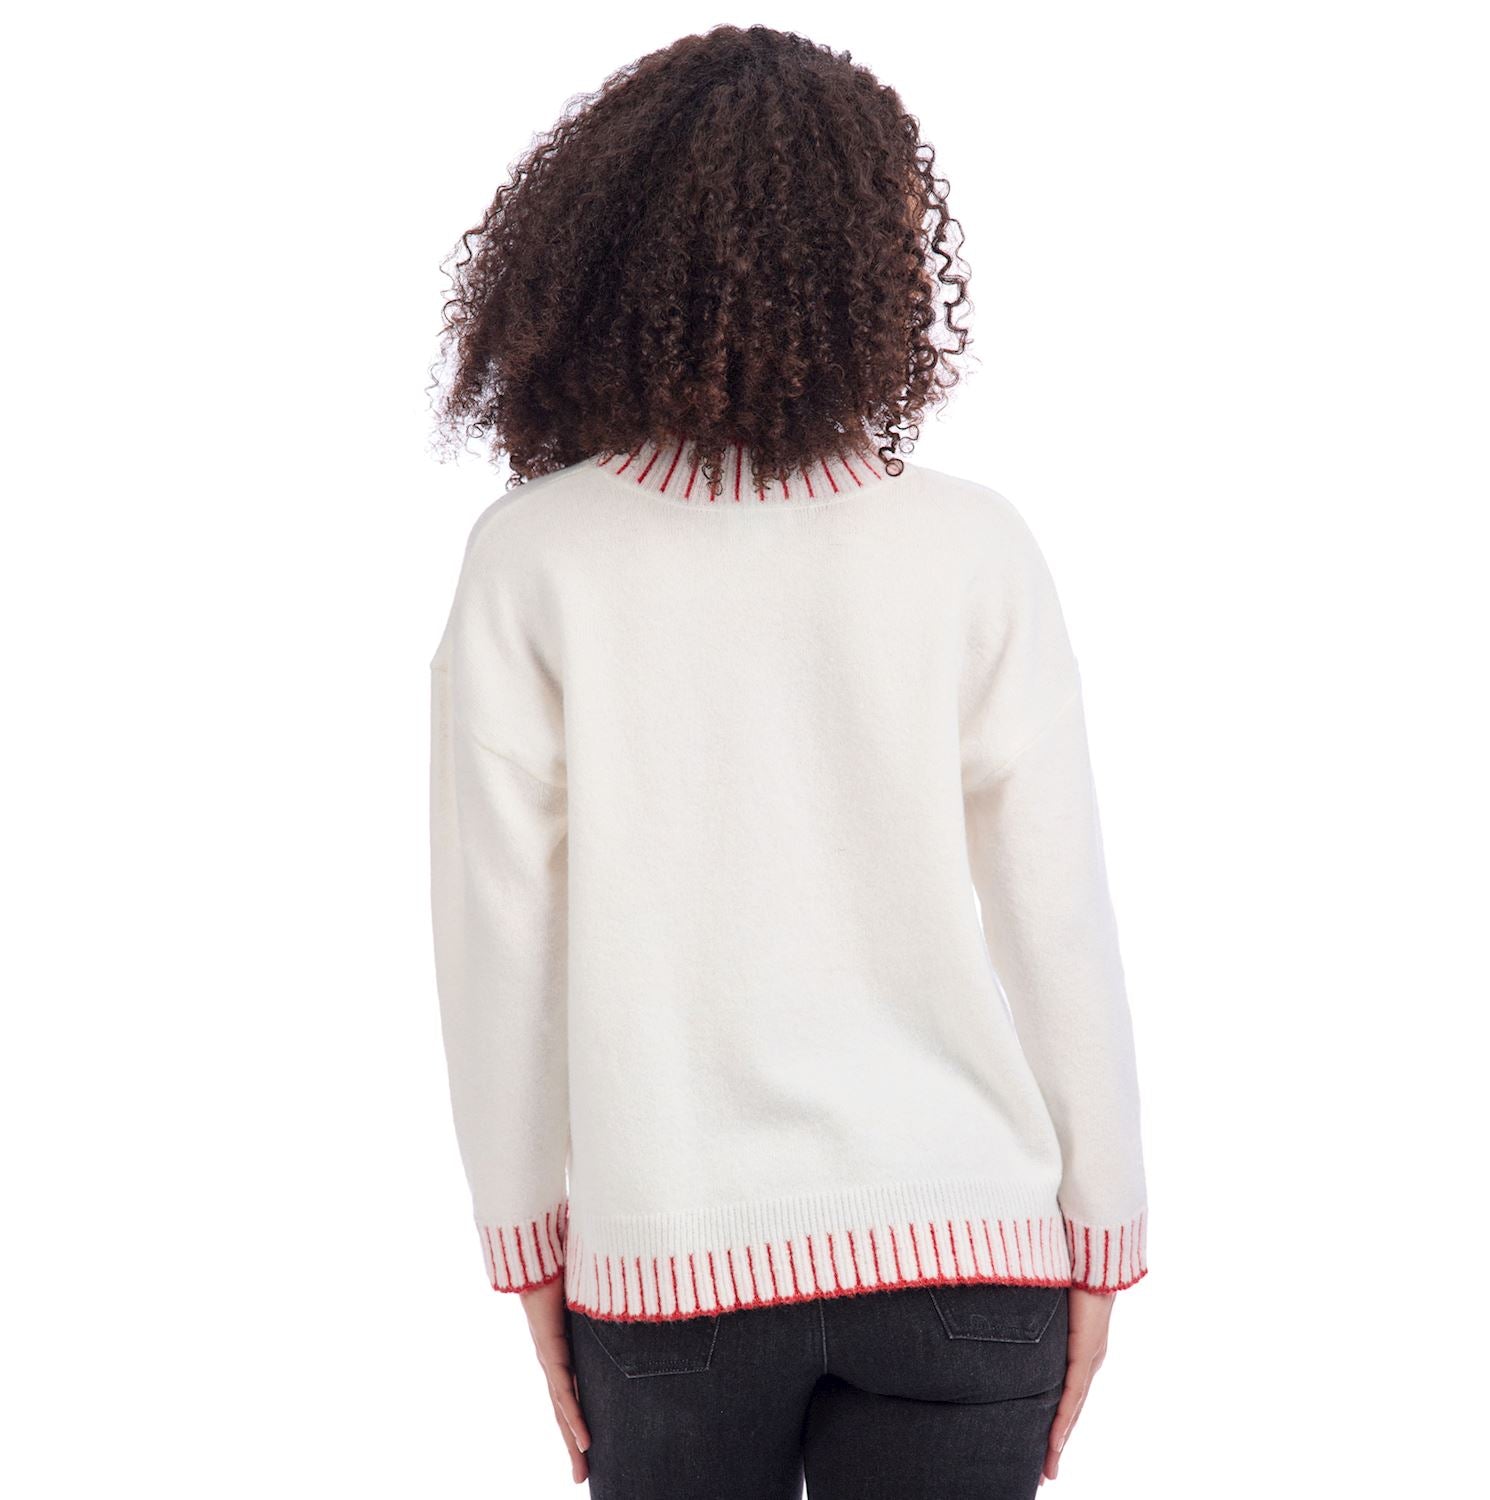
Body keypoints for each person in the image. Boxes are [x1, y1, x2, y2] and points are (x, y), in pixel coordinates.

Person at [428, 24, 1147, 1499]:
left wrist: (526, 1243)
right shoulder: (973, 546)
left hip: (669, 1271)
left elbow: (496, 936)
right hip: (970, 1254)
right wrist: (1105, 1231)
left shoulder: (534, 560)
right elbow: (1057, 917)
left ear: (604, 249)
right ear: (875, 264)